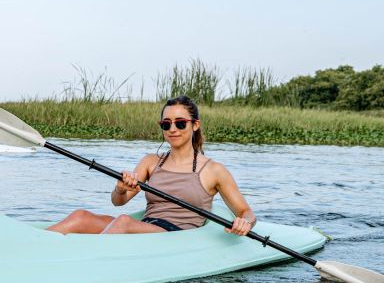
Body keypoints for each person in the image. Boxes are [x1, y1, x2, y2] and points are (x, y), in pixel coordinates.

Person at [46, 95, 255, 236]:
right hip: (147, 226)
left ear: (195, 125)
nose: (172, 129)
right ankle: (34, 244)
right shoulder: (151, 162)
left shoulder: (213, 170)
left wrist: (244, 223)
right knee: (81, 216)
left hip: (176, 236)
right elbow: (119, 202)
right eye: (166, 124)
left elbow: (246, 212)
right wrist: (120, 188)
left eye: (180, 123)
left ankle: (81, 260)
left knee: (123, 223)